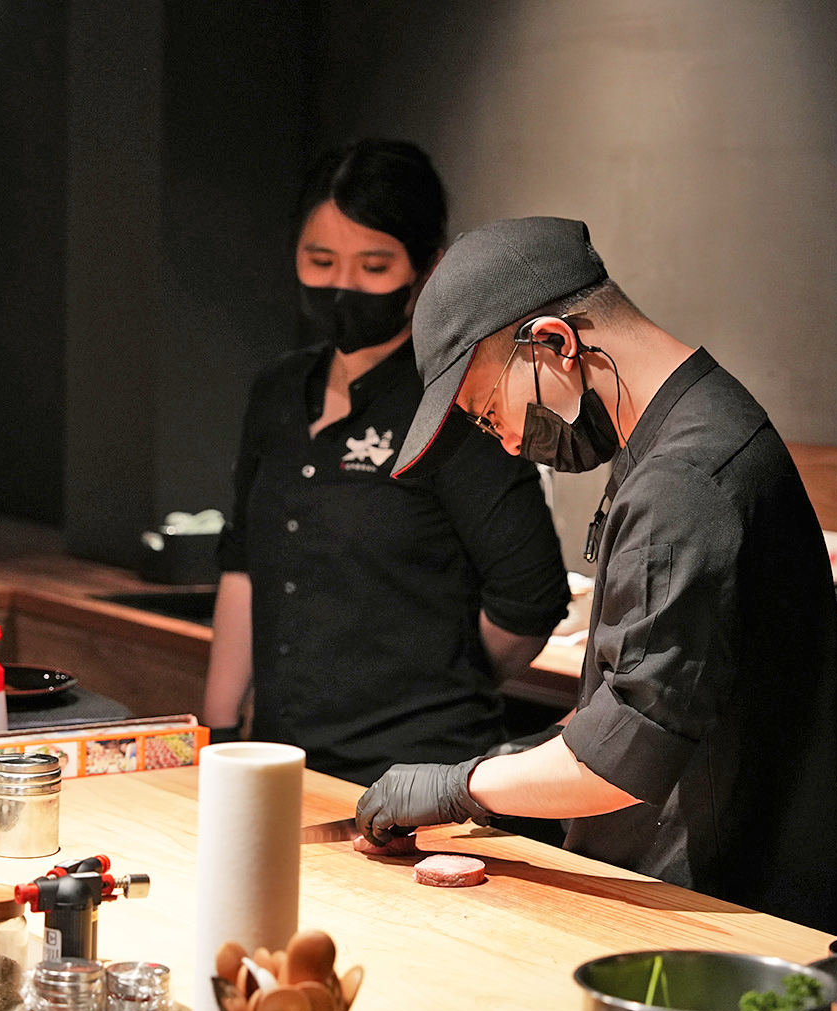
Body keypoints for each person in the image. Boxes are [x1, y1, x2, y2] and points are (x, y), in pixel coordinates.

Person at [356, 216, 837, 930]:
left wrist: (459, 784)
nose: (508, 443)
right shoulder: (689, 427)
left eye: (489, 413)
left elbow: (623, 755)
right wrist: (517, 760)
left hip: (715, 921)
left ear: (554, 344)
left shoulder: (683, 481)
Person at [203, 144, 570, 788]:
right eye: (321, 261)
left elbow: (530, 597)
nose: (342, 286)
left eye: (374, 266)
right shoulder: (277, 390)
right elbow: (244, 562)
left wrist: (444, 676)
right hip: (281, 761)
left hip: (416, 775)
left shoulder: (456, 401)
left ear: (427, 269)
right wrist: (220, 732)